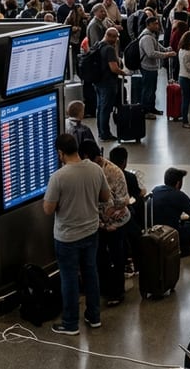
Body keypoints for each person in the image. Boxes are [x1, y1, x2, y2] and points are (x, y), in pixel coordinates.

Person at [43, 133, 111, 335]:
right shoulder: (95, 169)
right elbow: (105, 196)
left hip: (67, 237)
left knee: (70, 278)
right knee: (91, 273)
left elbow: (48, 209)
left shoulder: (59, 177)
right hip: (91, 232)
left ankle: (71, 323)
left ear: (60, 153)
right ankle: (94, 316)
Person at [79, 141, 130, 306]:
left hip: (116, 223)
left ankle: (117, 292)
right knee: (100, 257)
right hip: (98, 223)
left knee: (117, 257)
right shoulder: (88, 172)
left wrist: (110, 210)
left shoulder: (113, 172)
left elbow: (123, 200)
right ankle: (105, 288)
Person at [148, 167, 190, 255]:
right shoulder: (179, 195)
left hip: (154, 232)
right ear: (178, 183)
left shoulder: (156, 190)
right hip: (171, 234)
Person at [138, 16, 176, 118]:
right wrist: (166, 55)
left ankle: (151, 108)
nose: (157, 26)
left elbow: (158, 47)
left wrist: (166, 49)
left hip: (152, 67)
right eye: (155, 24)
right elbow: (151, 53)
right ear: (149, 25)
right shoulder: (146, 37)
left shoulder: (151, 35)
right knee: (147, 90)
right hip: (147, 67)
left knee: (152, 89)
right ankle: (145, 111)